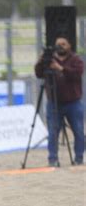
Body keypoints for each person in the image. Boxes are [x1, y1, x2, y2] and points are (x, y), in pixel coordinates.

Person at [34, 36, 84, 166]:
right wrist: (42, 60)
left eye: (63, 44)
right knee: (53, 131)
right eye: (58, 44)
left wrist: (60, 68)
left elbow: (77, 73)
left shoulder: (75, 59)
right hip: (54, 102)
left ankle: (79, 157)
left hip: (73, 102)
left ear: (69, 46)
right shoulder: (50, 60)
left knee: (78, 130)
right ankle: (53, 159)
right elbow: (38, 73)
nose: (61, 46)